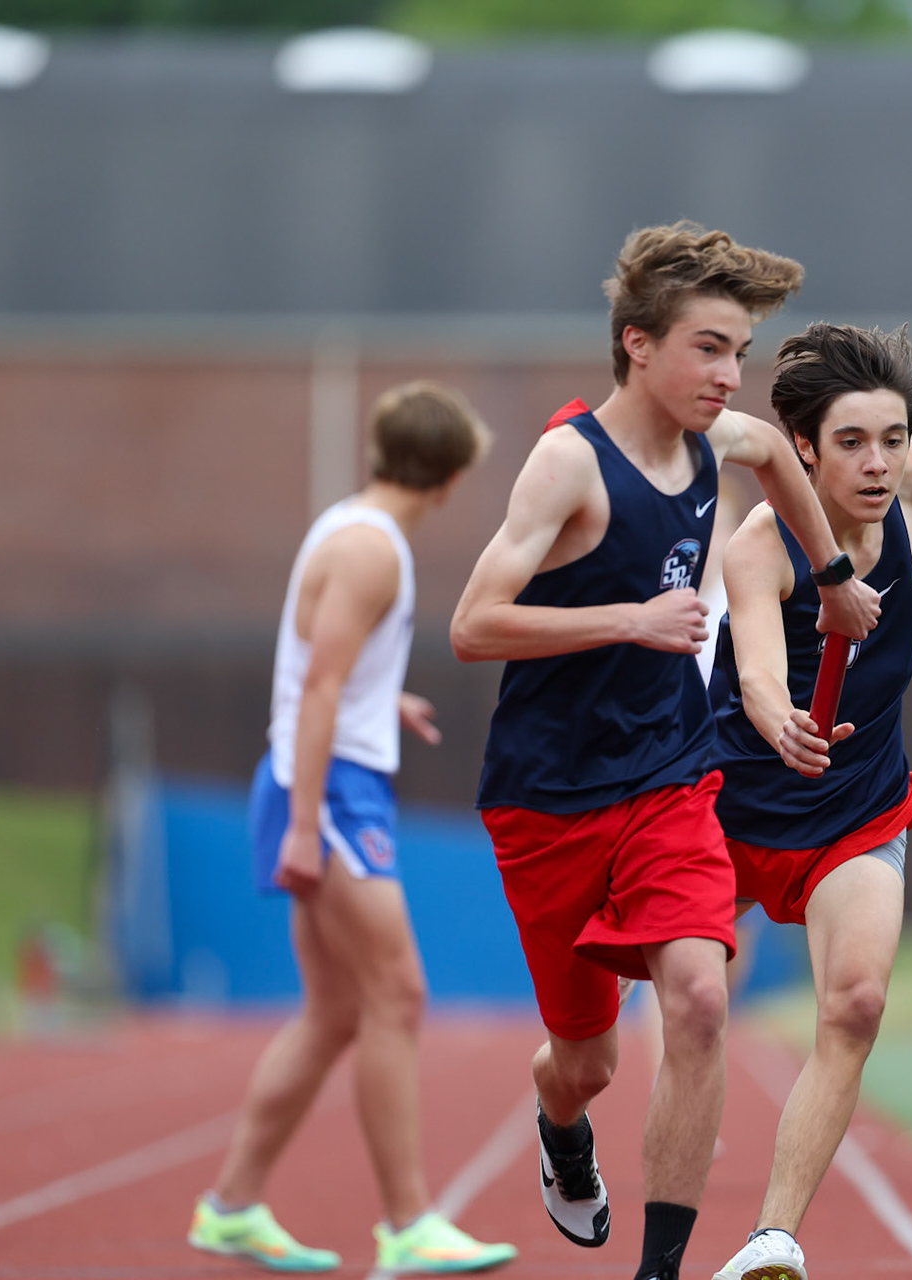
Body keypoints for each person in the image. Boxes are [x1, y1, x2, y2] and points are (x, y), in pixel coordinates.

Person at [448, 222, 881, 1280]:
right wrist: (625, 620)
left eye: (739, 351)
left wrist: (829, 575)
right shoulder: (567, 466)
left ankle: (661, 1270)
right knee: (586, 1058)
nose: (729, 375)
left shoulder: (719, 438)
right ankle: (561, 1118)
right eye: (708, 348)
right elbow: (471, 625)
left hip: (671, 777)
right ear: (638, 344)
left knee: (697, 994)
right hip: (548, 797)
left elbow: (779, 454)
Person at [188, 382, 517, 1276]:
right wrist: (303, 826)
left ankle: (231, 1205)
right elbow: (321, 684)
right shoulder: (374, 550)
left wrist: (386, 699)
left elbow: (325, 668)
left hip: (328, 777)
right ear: (449, 479)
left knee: (337, 1011)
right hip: (326, 792)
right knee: (397, 995)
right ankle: (408, 1221)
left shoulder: (349, 526)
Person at [704, 323, 912, 1280]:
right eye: (852, 442)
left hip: (858, 804)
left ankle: (772, 1241)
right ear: (801, 447)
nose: (879, 462)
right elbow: (760, 671)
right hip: (733, 803)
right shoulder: (760, 549)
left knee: (855, 1003)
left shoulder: (911, 481)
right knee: (620, 1031)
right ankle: (564, 1111)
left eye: (892, 438)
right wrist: (780, 722)